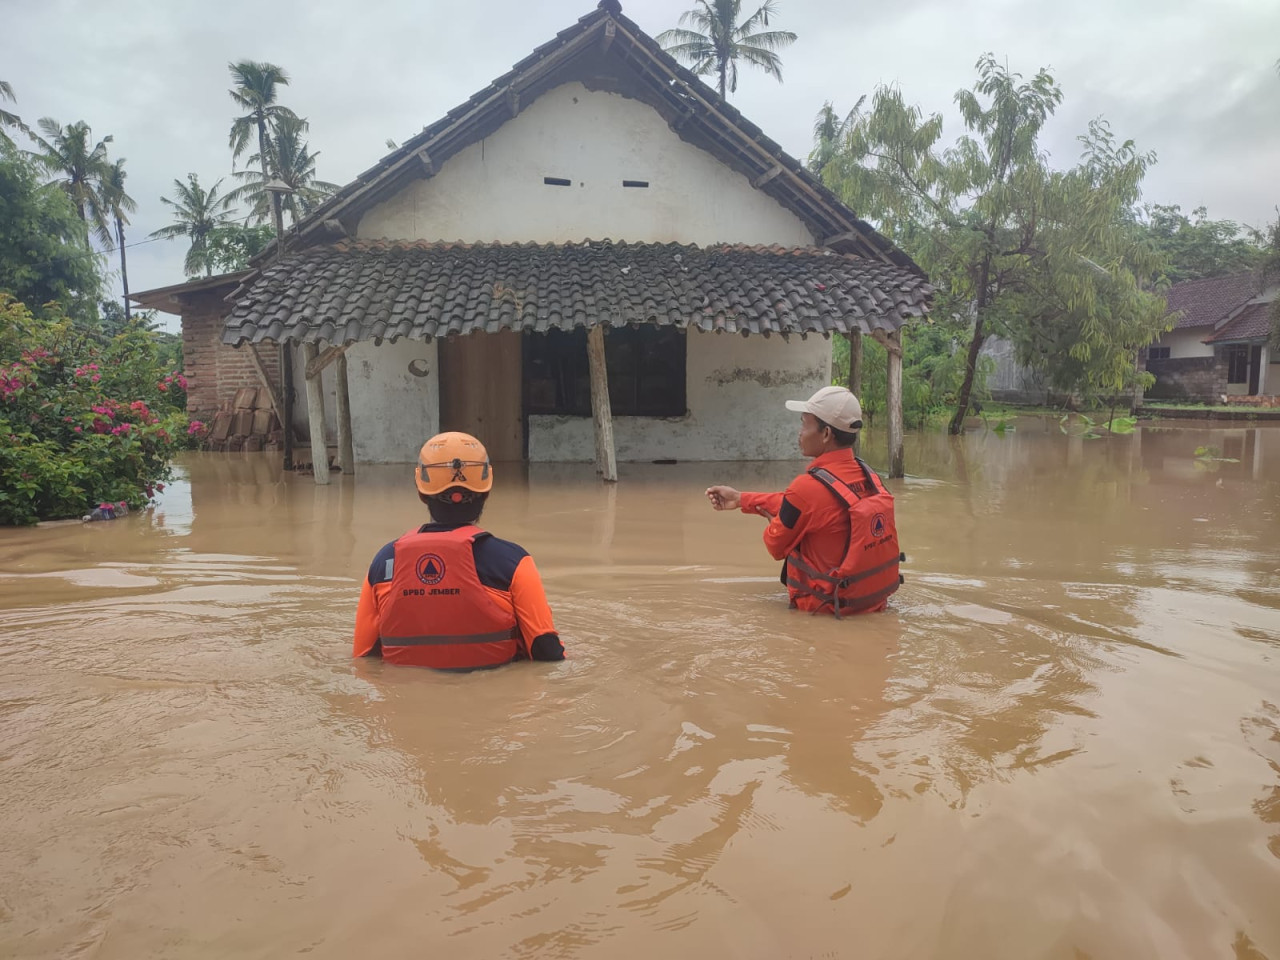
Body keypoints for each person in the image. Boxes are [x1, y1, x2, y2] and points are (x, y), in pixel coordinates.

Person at [352, 431, 565, 669]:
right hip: (491, 699)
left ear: (422, 493)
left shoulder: (383, 564)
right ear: (486, 492)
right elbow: (546, 650)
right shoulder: (514, 562)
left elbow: (364, 657)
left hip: (409, 699)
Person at [705, 386, 902, 618]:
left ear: (826, 433)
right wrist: (742, 499)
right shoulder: (870, 476)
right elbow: (807, 505)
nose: (799, 433)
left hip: (824, 612)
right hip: (872, 604)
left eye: (804, 424)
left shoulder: (805, 488)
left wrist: (773, 522)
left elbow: (775, 546)